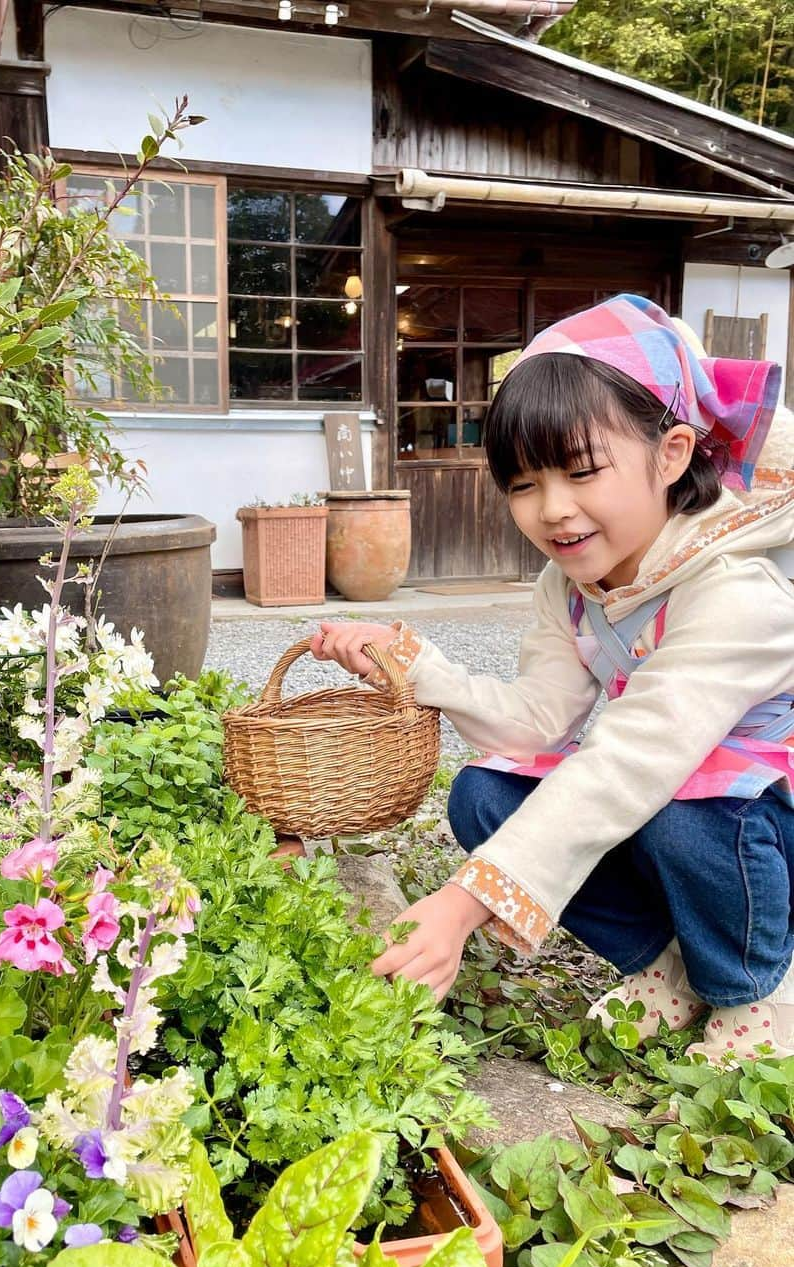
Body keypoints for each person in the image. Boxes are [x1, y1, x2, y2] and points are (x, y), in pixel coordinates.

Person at [312, 294, 794, 1062]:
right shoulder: (569, 583)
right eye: (523, 483)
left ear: (671, 453)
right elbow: (540, 722)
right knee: (484, 794)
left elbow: (633, 758)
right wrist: (417, 667)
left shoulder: (738, 588)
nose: (553, 511)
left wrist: (467, 902)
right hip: (673, 798)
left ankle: (758, 991)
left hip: (758, 825)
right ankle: (668, 968)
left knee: (687, 808)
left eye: (581, 471)